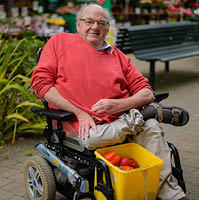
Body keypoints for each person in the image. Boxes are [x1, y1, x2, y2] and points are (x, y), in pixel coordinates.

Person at [31, 4, 189, 200]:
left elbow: (147, 93)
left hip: (120, 118)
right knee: (92, 139)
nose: (95, 27)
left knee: (152, 128)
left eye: (101, 23)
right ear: (79, 24)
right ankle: (144, 114)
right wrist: (80, 112)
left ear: (107, 29)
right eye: (89, 21)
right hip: (80, 124)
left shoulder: (118, 56)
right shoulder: (59, 42)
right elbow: (40, 83)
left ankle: (172, 195)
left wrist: (120, 106)